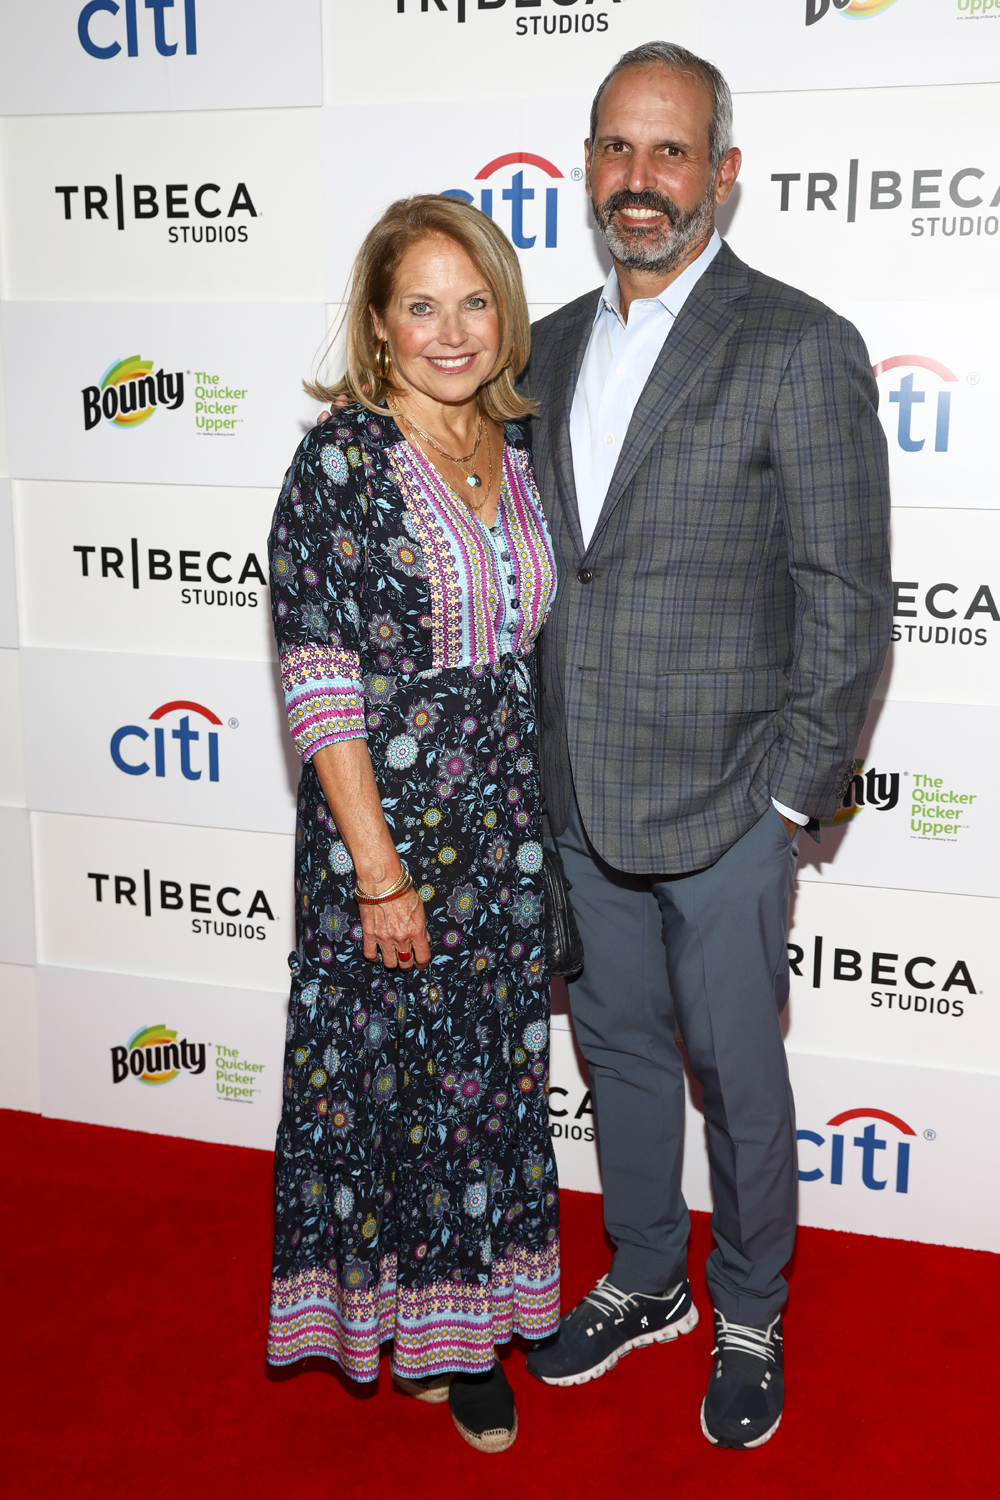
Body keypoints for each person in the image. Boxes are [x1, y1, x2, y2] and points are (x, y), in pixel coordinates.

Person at [519, 43, 892, 1449]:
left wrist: (792, 798)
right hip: (582, 791)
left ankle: (749, 1307)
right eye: (618, 149)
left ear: (722, 176)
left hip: (734, 798)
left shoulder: (798, 342)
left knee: (737, 1070)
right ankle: (648, 1276)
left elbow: (848, 592)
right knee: (615, 1049)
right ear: (590, 164)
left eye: (670, 153)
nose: (640, 180)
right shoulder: (543, 347)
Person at [265, 194, 559, 1454]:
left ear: (505, 314)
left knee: (484, 1088)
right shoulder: (338, 462)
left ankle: (472, 1330)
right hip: (387, 837)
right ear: (380, 328)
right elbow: (319, 676)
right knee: (392, 1096)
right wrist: (379, 876)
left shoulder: (511, 450)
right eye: (420, 306)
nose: (451, 330)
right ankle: (411, 1333)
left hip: (504, 835)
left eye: (473, 300)